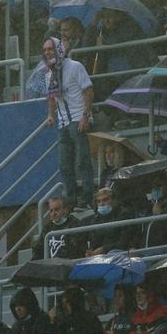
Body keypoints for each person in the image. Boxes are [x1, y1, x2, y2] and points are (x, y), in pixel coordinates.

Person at [42, 37, 96, 207]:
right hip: (63, 121)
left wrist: (85, 116)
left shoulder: (75, 66)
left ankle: (87, 196)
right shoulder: (49, 74)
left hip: (78, 117)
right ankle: (71, 199)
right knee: (64, 164)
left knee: (82, 161)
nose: (47, 53)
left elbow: (88, 91)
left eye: (50, 49)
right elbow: (51, 96)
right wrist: (51, 115)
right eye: (45, 50)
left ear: (58, 49)